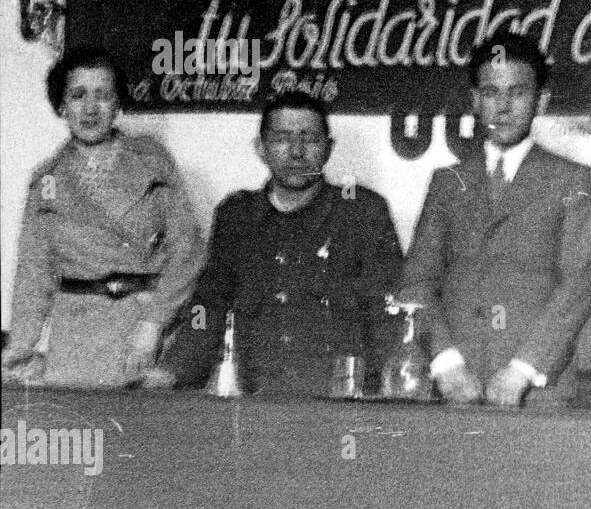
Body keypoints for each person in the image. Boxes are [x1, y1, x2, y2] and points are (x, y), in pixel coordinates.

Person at [392, 31, 591, 408]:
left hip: (537, 389)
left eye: (518, 93)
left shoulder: (574, 180)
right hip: (453, 387)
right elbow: (416, 283)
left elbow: (580, 285)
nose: (503, 107)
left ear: (542, 100)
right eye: (490, 93)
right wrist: (446, 363)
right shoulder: (446, 182)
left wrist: (522, 370)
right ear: (474, 100)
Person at [149, 92, 403, 394]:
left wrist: (396, 391)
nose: (296, 152)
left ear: (329, 149)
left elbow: (388, 314)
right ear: (261, 148)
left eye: (310, 139)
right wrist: (171, 371)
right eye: (282, 138)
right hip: (258, 401)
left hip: (340, 402)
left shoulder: (361, 212)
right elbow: (208, 307)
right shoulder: (236, 216)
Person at [1, 47, 203, 387]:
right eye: (78, 96)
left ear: (118, 103)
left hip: (144, 329)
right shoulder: (47, 180)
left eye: (103, 95)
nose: (91, 109)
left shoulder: (152, 161)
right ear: (61, 106)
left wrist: (154, 324)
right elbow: (33, 276)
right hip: (78, 338)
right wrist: (18, 355)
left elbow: (189, 252)